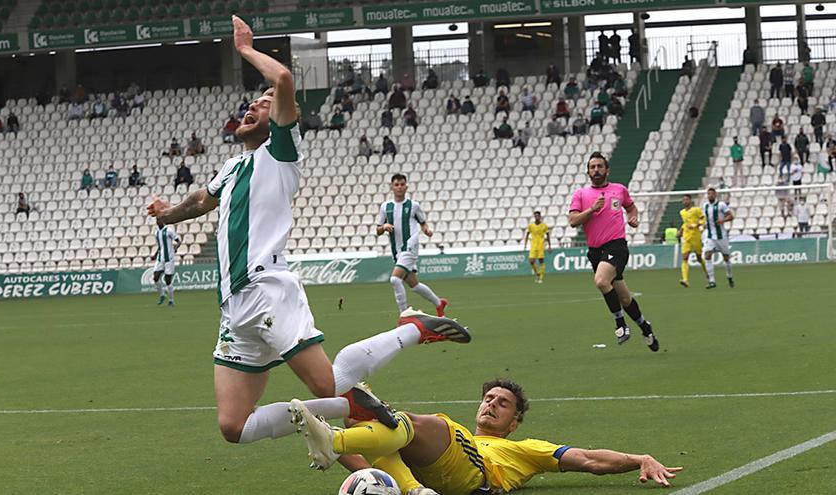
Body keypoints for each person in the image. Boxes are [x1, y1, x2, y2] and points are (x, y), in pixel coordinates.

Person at [147, 16, 473, 452]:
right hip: (231, 303)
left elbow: (281, 77)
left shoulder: (281, 152)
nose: (253, 106)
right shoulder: (229, 169)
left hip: (267, 290)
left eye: (263, 103)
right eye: (250, 103)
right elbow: (201, 202)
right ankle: (342, 414)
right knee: (233, 426)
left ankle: (410, 330)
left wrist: (245, 50)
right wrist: (167, 215)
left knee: (327, 385)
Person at [291, 378, 682, 493]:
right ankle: (405, 489)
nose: (492, 404)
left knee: (427, 424)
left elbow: (589, 459)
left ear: (513, 424)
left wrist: (639, 458)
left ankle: (335, 443)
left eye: (503, 403)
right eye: (489, 398)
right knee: (374, 426)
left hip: (476, 477)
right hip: (428, 472)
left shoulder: (527, 449)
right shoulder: (460, 436)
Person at [568, 152, 659, 350]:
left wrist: (633, 218)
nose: (596, 170)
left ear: (607, 170)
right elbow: (573, 221)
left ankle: (621, 325)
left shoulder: (619, 190)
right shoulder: (581, 195)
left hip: (616, 246)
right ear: (588, 172)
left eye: (600, 166)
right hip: (595, 251)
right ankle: (646, 327)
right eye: (592, 167)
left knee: (601, 281)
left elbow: (631, 208)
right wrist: (591, 210)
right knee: (624, 297)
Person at [376, 173, 448, 316]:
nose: (399, 187)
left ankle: (404, 314)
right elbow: (378, 230)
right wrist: (384, 227)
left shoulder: (413, 206)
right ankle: (439, 303)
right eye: (396, 185)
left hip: (410, 247)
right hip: (397, 250)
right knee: (414, 285)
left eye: (402, 184)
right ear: (392, 187)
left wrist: (426, 230)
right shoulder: (386, 207)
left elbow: (422, 223)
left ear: (406, 186)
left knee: (395, 279)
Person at [701, 187, 735, 289]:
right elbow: (705, 219)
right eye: (708, 194)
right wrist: (703, 225)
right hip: (711, 236)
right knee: (707, 256)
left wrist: (722, 220)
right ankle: (712, 281)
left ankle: (729, 277)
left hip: (721, 237)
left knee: (726, 259)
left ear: (715, 195)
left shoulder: (721, 205)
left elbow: (731, 216)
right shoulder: (705, 206)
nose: (710, 195)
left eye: (712, 194)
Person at [677, 194, 708, 288]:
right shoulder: (682, 212)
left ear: (690, 200)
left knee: (699, 258)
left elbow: (703, 219)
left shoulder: (696, 210)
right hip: (686, 237)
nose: (685, 201)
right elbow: (685, 223)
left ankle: (708, 273)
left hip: (696, 236)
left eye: (686, 199)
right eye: (683, 200)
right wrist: (681, 231)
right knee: (685, 257)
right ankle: (685, 280)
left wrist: (696, 225)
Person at [152, 218, 182, 306]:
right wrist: (155, 254)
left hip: (169, 258)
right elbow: (160, 246)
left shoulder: (169, 230)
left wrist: (176, 248)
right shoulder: (156, 233)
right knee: (155, 277)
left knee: (167, 280)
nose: (158, 222)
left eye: (160, 220)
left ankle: (171, 300)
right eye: (157, 220)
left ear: (163, 221)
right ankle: (162, 295)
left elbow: (178, 241)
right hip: (160, 258)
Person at [523, 211, 551, 283]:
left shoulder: (544, 226)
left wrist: (549, 246)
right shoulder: (531, 226)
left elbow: (548, 235)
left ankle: (541, 277)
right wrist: (525, 244)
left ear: (540, 216)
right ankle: (537, 274)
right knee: (531, 261)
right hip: (533, 245)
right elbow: (527, 234)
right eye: (535, 216)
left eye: (538, 216)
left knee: (541, 261)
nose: (537, 217)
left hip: (541, 245)